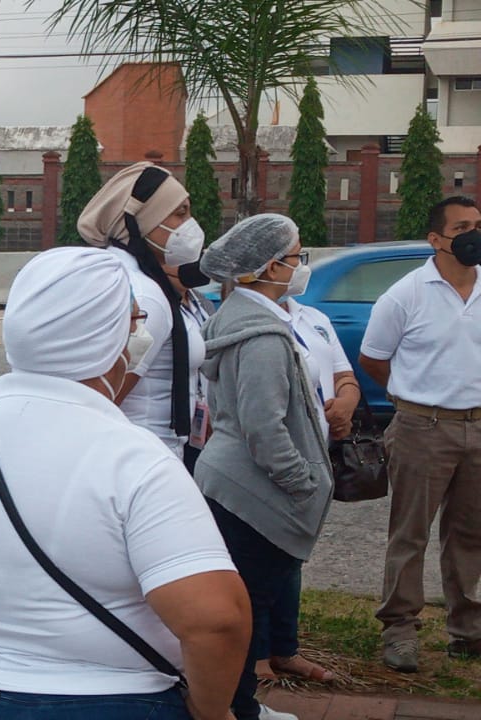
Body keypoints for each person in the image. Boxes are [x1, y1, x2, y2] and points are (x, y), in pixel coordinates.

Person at [0, 246, 249, 720]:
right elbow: (215, 619)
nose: (142, 334)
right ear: (108, 341)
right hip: (117, 701)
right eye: (134, 321)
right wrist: (211, 710)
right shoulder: (136, 460)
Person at [196, 214, 334, 720]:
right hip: (251, 493)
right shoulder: (262, 336)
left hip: (235, 484)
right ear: (269, 266)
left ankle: (235, 704)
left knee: (246, 604)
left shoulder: (241, 318)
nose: (301, 267)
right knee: (246, 609)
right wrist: (303, 482)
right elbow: (263, 426)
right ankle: (235, 708)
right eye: (296, 258)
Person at [358, 195, 481, 673]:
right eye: (463, 227)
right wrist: (410, 397)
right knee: (410, 534)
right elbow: (372, 358)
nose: (474, 234)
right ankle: (400, 629)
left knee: (470, 534)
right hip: (421, 428)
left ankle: (468, 630)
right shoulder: (405, 294)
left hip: (477, 425)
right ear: (436, 239)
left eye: (478, 224)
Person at [255, 289, 360, 684]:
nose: (299, 264)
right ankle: (257, 652)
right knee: (261, 555)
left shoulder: (313, 317)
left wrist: (347, 401)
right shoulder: (255, 323)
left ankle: (285, 648)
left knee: (292, 555)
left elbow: (344, 374)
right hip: (277, 457)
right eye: (292, 256)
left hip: (318, 452)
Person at [78, 162, 211, 460]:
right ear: (144, 222)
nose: (190, 224)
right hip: (147, 455)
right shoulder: (147, 298)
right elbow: (104, 395)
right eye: (180, 213)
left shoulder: (122, 276)